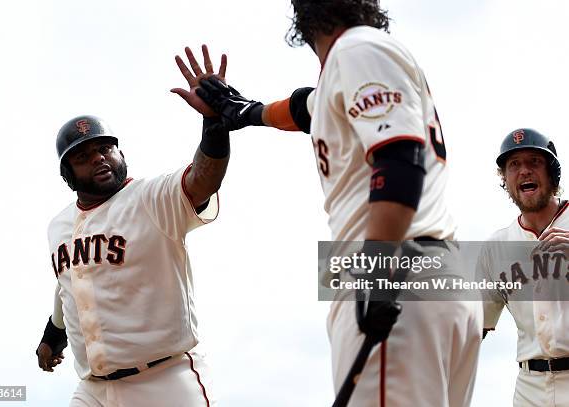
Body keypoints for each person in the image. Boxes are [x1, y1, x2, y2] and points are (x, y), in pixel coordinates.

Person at [175, 1, 482, 406]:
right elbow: (302, 108)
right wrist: (241, 110)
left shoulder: (356, 50)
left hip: (396, 274)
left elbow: (399, 160)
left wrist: (376, 273)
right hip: (434, 275)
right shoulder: (353, 64)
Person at [35, 46, 229, 407]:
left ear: (121, 153)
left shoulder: (152, 197)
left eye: (105, 149)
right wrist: (53, 334)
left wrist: (215, 125)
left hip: (165, 380)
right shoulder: (58, 226)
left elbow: (203, 180)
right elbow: (71, 284)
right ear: (67, 176)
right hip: (94, 388)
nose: (98, 158)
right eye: (83, 156)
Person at [479, 128, 569, 406]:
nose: (524, 171)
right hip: (529, 388)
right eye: (514, 165)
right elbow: (473, 328)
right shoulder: (496, 246)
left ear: (552, 173)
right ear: (505, 179)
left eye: (534, 162)